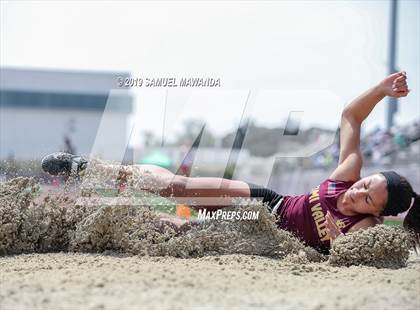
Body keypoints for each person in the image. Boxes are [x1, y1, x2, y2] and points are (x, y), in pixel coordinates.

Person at [41, 71, 419, 253]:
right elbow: (350, 117)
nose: (358, 193)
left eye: (368, 198)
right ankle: (91, 168)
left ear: (378, 213)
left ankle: (87, 226)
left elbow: (385, 248)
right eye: (366, 184)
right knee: (179, 189)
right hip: (266, 203)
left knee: (175, 225)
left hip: (267, 238)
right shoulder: (345, 176)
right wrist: (382, 90)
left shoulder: (366, 228)